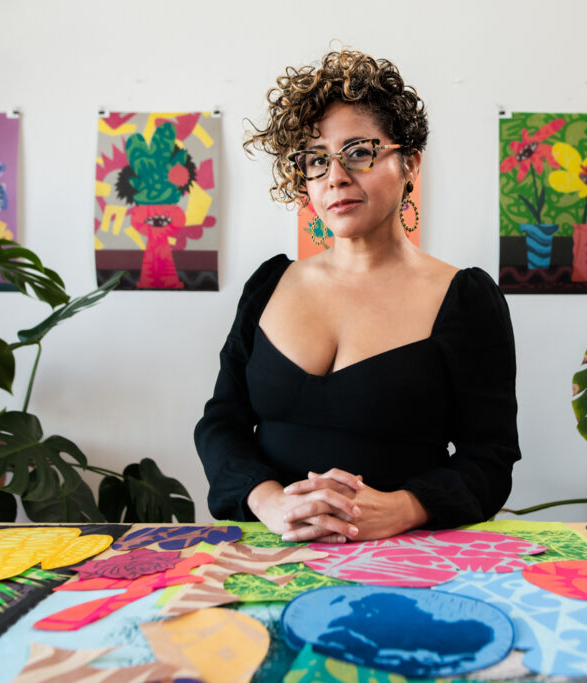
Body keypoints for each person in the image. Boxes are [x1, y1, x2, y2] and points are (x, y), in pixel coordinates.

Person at [195, 49, 519, 544]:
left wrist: (404, 508)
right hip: (271, 552)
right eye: (316, 160)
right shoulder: (270, 285)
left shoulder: (466, 298)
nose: (335, 177)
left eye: (359, 152)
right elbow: (221, 423)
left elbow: (490, 456)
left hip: (406, 560)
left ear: (409, 162)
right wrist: (270, 502)